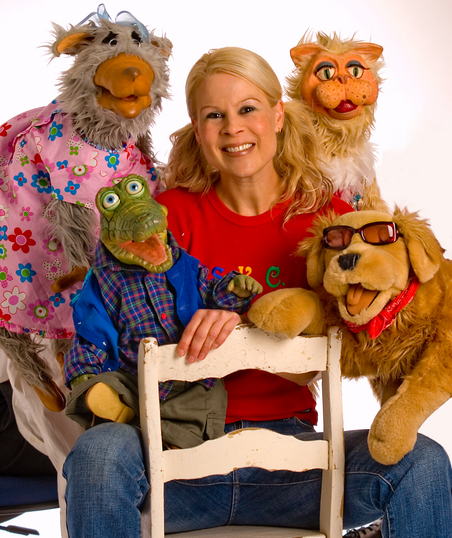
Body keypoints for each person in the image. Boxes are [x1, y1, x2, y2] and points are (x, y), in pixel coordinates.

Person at [63, 47, 452, 538]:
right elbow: (116, 323)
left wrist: (245, 325)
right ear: (197, 129)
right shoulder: (163, 219)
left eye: (247, 108)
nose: (233, 128)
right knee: (98, 453)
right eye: (214, 115)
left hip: (294, 464)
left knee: (424, 461)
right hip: (175, 459)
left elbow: (371, 327)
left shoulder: (330, 222)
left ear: (278, 114)